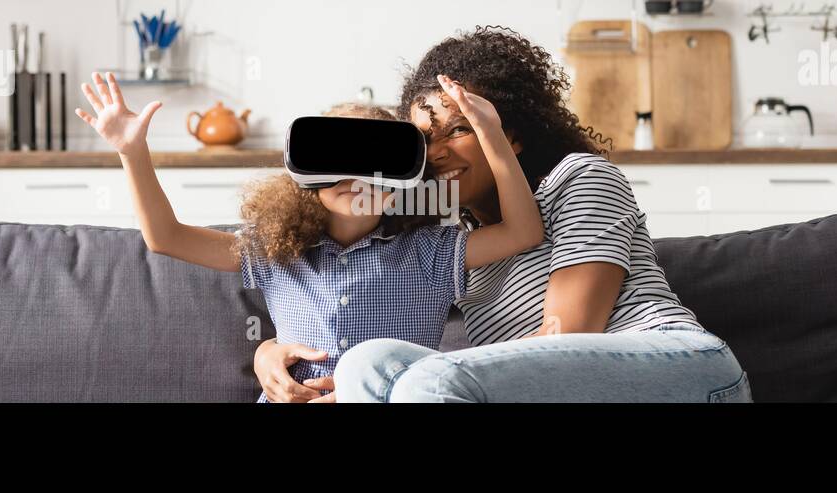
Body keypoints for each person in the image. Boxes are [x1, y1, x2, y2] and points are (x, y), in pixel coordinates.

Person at [254, 26, 753, 403]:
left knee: (423, 379)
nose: (439, 153)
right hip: (556, 391)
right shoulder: (446, 234)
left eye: (459, 128)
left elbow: (568, 334)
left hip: (685, 373)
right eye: (425, 140)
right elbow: (359, 303)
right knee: (367, 362)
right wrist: (272, 351)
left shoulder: (579, 178)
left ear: (508, 137)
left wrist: (436, 381)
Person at [75, 71, 545, 403]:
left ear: (407, 178)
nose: (357, 177)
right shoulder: (277, 251)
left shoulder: (431, 253)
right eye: (337, 157)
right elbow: (166, 237)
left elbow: (524, 232)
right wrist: (133, 151)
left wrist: (490, 134)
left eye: (376, 162)